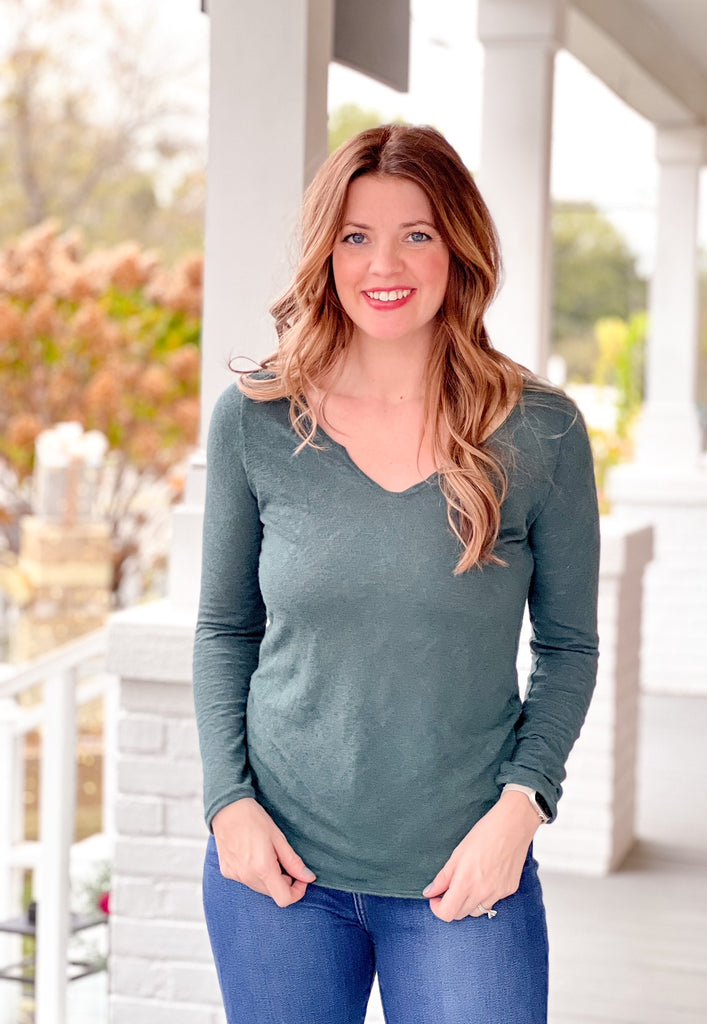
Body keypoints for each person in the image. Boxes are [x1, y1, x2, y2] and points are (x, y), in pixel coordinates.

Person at [193, 124, 599, 1024]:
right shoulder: (256, 420)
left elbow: (569, 647)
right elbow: (225, 629)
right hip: (277, 876)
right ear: (326, 253)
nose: (386, 263)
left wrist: (521, 811)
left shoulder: (541, 430)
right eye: (356, 236)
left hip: (466, 873)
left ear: (458, 248)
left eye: (417, 233)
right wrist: (228, 806)